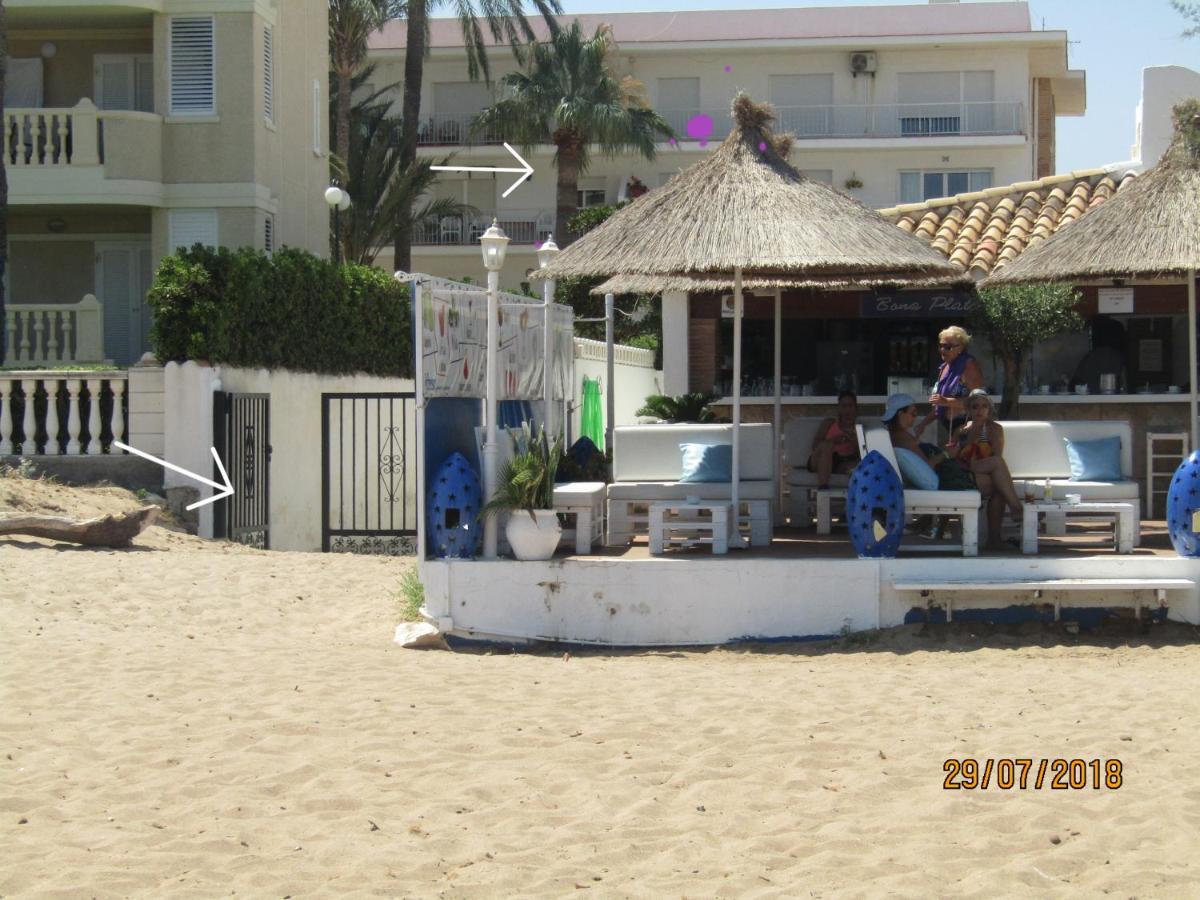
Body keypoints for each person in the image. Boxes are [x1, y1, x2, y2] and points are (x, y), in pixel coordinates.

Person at [948, 388, 1023, 550]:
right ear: (969, 409)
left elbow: (996, 455)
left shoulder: (993, 429)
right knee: (998, 475)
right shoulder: (961, 430)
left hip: (983, 472)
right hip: (964, 471)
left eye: (984, 406)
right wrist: (957, 450)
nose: (979, 410)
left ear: (989, 409)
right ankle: (1016, 508)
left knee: (999, 485)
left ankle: (994, 540)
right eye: (975, 406)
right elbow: (950, 456)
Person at [918, 325, 984, 442]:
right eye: (941, 346)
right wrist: (923, 424)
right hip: (950, 430)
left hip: (969, 431)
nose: (942, 350)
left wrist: (946, 401)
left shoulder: (968, 365)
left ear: (961, 347)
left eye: (948, 347)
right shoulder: (944, 367)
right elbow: (939, 404)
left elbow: (978, 402)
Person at [807, 391, 860, 488]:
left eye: (850, 406)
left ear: (856, 408)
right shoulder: (829, 423)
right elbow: (815, 446)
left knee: (857, 464)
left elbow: (864, 454)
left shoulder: (859, 428)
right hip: (821, 458)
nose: (847, 410)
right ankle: (823, 487)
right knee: (827, 446)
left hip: (843, 462)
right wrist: (833, 440)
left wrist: (854, 440)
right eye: (844, 406)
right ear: (839, 409)